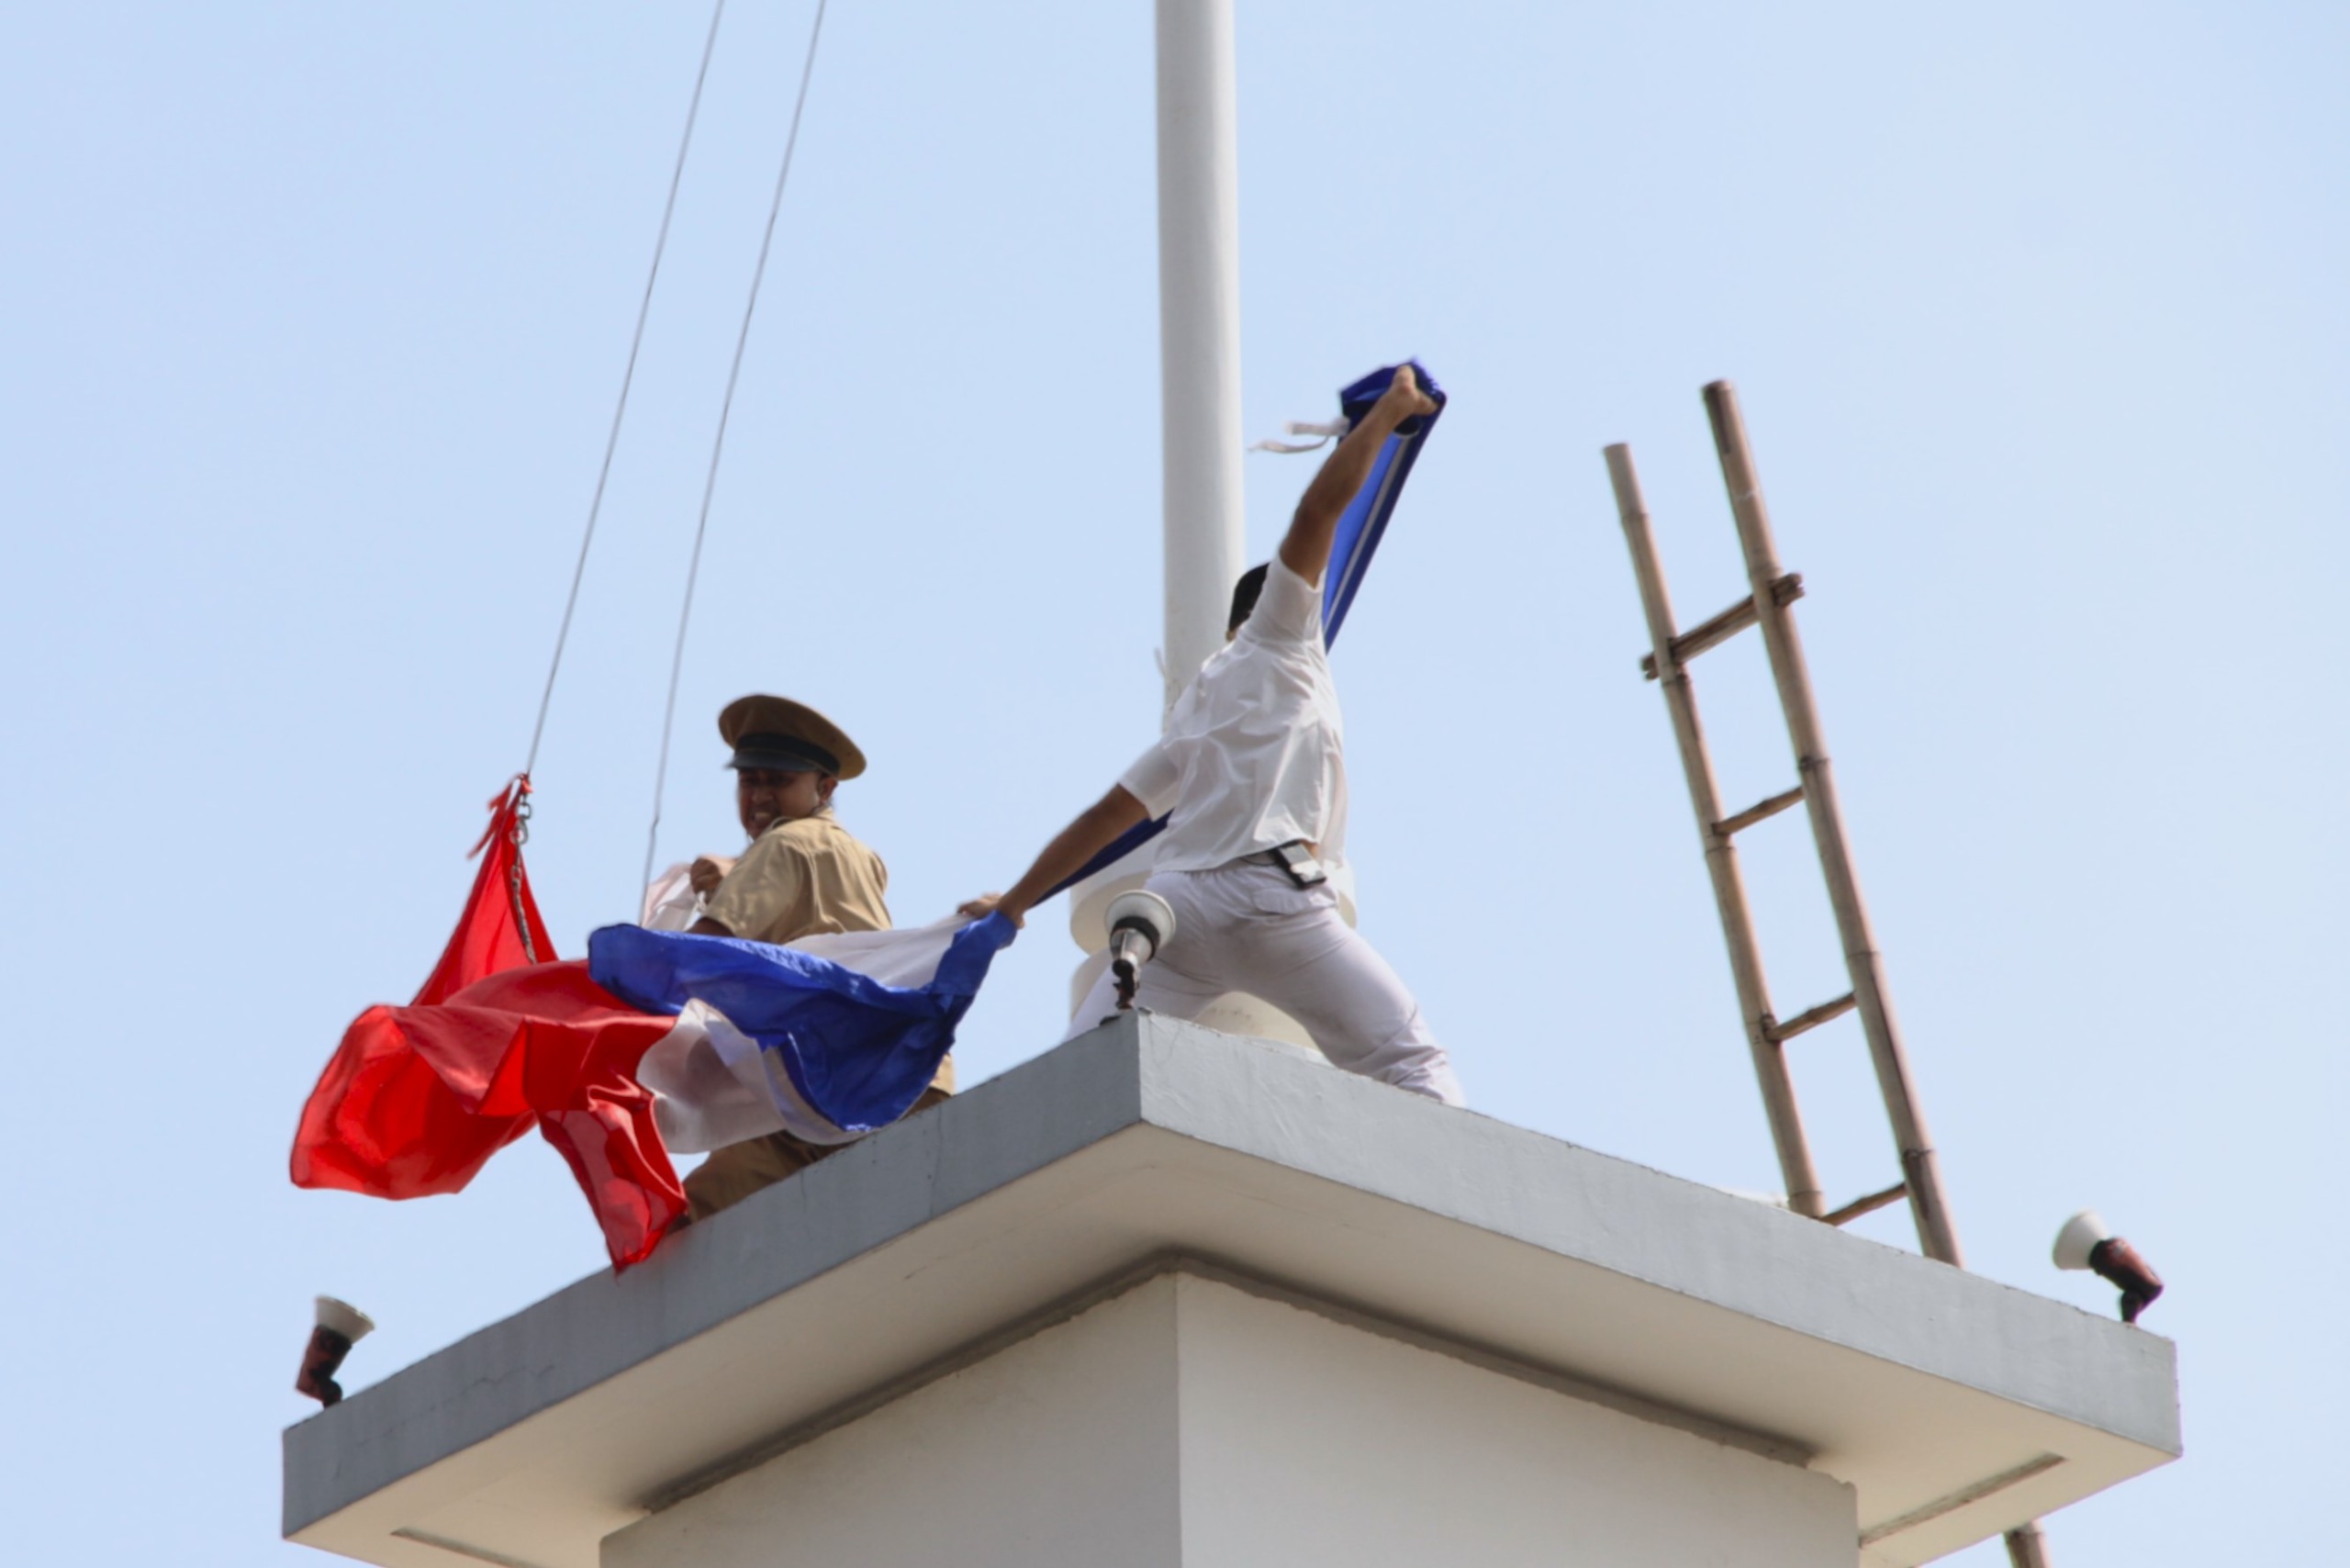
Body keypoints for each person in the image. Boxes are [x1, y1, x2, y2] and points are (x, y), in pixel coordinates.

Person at [962, 364, 1462, 1105]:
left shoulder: (1193, 712)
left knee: (1082, 1085)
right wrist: (1385, 414)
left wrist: (1014, 904)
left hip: (1180, 908)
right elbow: (1315, 517)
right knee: (1414, 1069)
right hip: (1272, 897)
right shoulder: (1282, 639)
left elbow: (1107, 818)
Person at [677, 694, 954, 1219]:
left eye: (777, 782)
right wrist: (735, 873)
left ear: (825, 787)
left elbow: (700, 953)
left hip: (831, 1082)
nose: (758, 796)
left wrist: (612, 1002)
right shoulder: (858, 853)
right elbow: (819, 922)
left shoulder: (782, 846)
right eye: (749, 780)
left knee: (689, 1223)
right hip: (905, 1076)